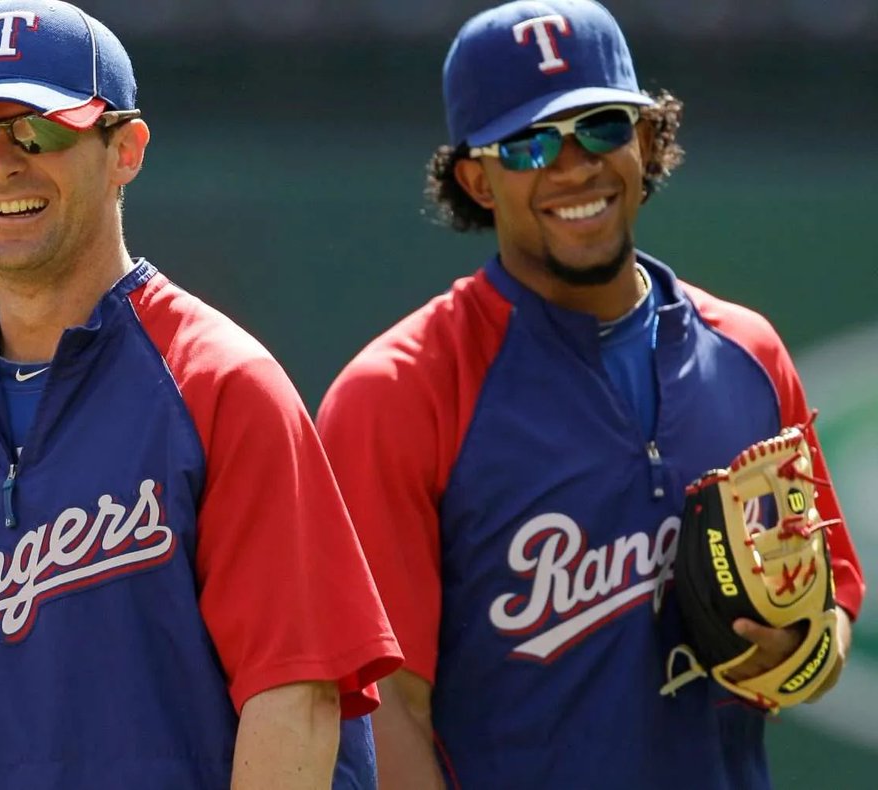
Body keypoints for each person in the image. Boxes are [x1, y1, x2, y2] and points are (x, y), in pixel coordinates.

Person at [0, 2, 402, 788]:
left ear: (125, 150)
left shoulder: (220, 386)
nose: (1, 163)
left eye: (40, 128)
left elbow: (297, 696)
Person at [316, 1, 865, 788]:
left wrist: (798, 650)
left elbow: (834, 597)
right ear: (476, 178)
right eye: (530, 143)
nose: (573, 166)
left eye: (601, 127)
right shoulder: (400, 393)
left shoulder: (748, 353)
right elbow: (384, 705)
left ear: (647, 140)